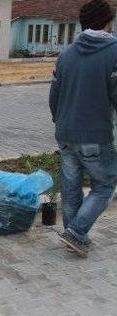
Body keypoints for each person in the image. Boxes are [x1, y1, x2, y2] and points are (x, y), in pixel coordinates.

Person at [49, 0, 117, 257]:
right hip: (95, 135)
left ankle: (75, 234)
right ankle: (76, 232)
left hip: (66, 133)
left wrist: (60, 121)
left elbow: (54, 94)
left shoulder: (66, 55)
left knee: (71, 187)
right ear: (106, 21)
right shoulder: (114, 52)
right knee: (105, 185)